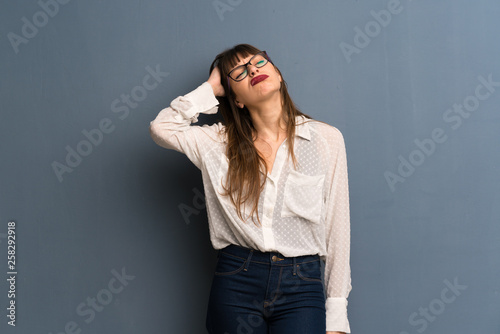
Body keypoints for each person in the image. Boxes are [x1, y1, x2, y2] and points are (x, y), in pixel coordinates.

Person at [149, 43, 351, 334]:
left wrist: (336, 313)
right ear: (235, 99)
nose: (253, 69)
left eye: (258, 61)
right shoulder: (217, 143)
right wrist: (209, 88)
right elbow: (162, 128)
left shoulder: (325, 140)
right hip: (236, 281)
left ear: (279, 75)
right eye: (239, 72)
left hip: (302, 284)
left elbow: (337, 228)